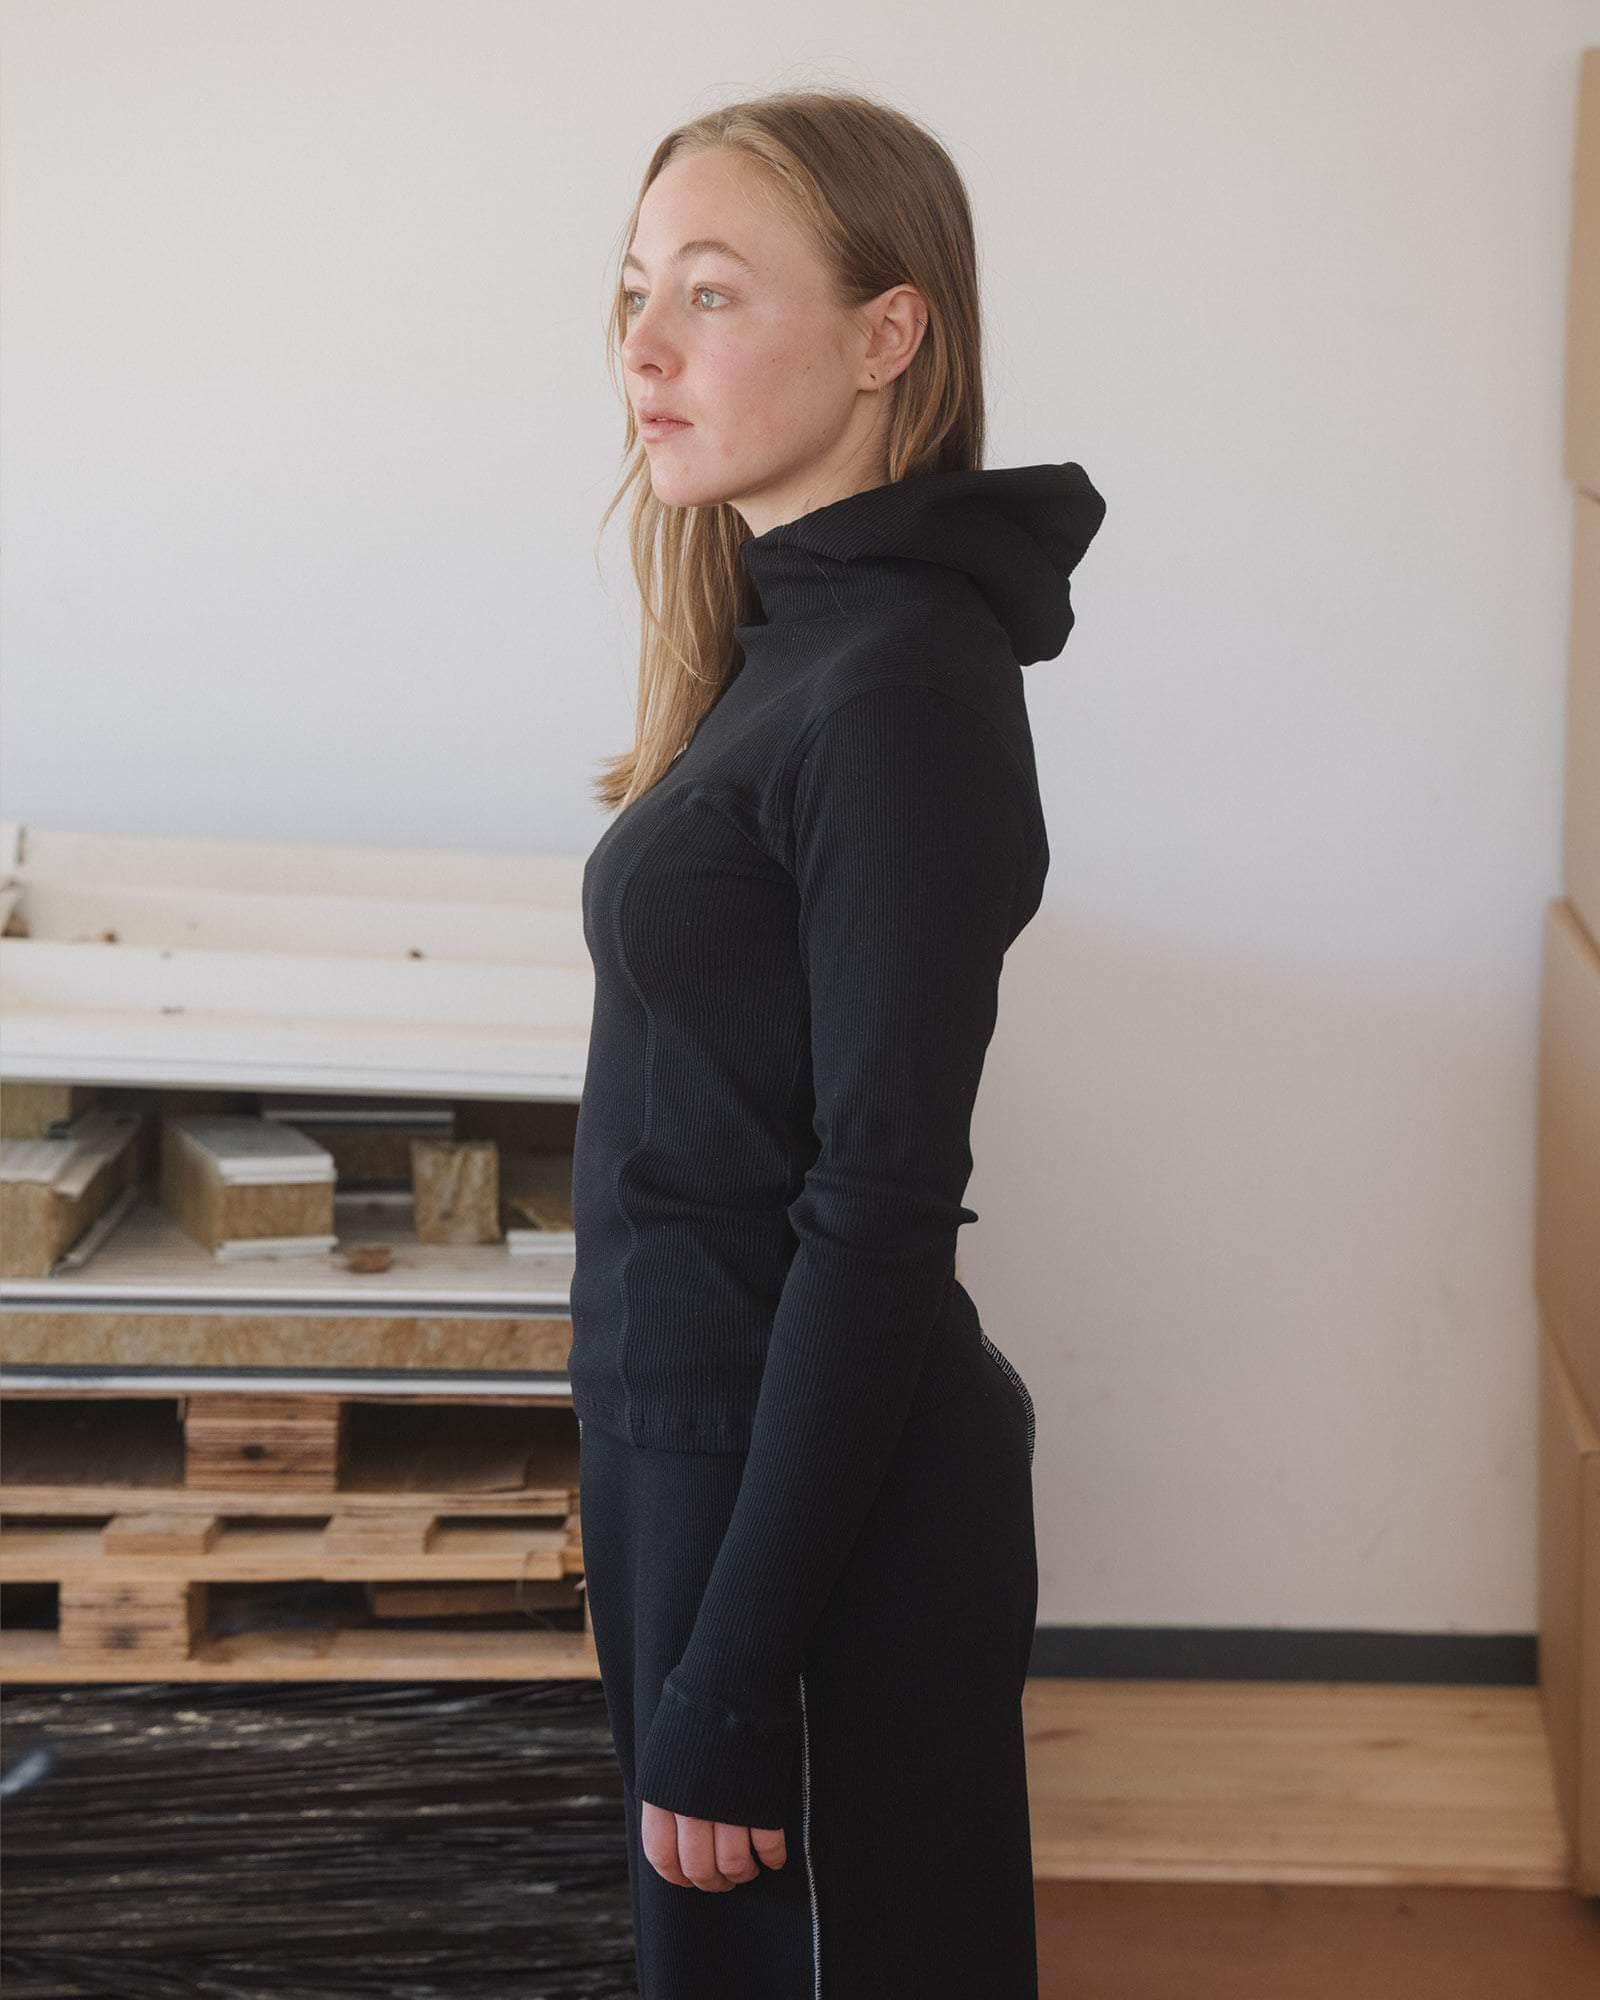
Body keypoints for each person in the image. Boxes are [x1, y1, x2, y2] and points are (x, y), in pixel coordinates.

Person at [568, 87, 1106, 1999]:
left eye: (711, 294)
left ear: (890, 335)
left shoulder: (897, 691)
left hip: (804, 1526)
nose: (644, 347)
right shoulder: (788, 640)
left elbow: (878, 1211)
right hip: (707, 1479)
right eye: (636, 290)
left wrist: (734, 1679)